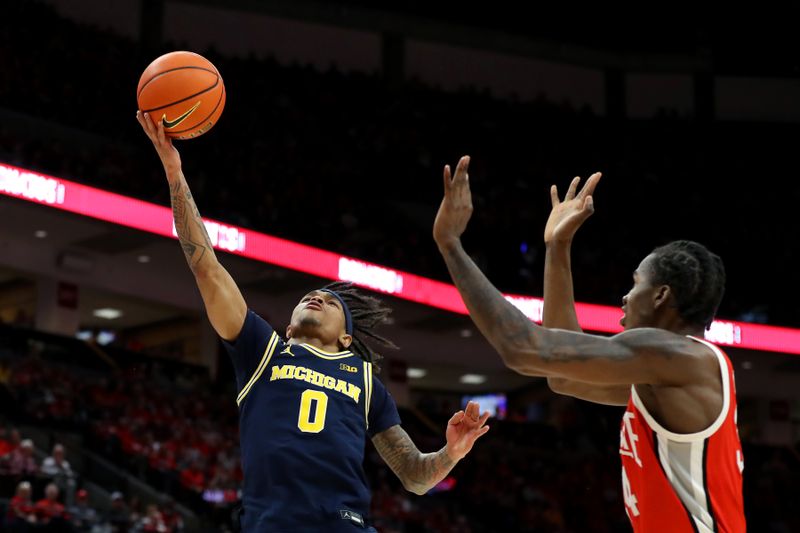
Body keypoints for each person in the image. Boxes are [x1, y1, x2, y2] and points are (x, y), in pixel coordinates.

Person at [136, 112, 490, 532]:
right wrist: (175, 174)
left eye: (330, 301)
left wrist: (451, 452)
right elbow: (206, 267)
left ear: (345, 337)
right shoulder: (262, 351)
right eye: (309, 296)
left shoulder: (364, 380)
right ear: (287, 328)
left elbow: (414, 475)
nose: (316, 296)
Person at [433, 156, 745, 532]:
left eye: (635, 283)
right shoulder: (669, 374)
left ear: (661, 295)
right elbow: (562, 379)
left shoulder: (676, 355)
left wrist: (451, 245)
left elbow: (523, 348)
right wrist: (558, 247)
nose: (626, 297)